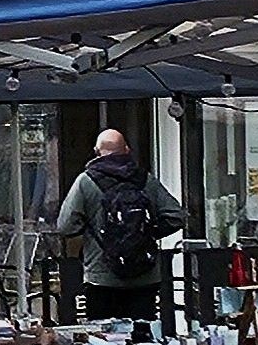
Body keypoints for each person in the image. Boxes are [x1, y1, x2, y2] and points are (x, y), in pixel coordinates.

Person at [56, 127, 186, 325]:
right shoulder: (145, 180)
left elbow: (65, 227)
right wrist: (146, 233)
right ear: (127, 149)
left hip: (101, 276)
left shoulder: (86, 182)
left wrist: (93, 230)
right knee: (143, 335)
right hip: (144, 276)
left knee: (103, 337)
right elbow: (176, 216)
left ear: (96, 151)